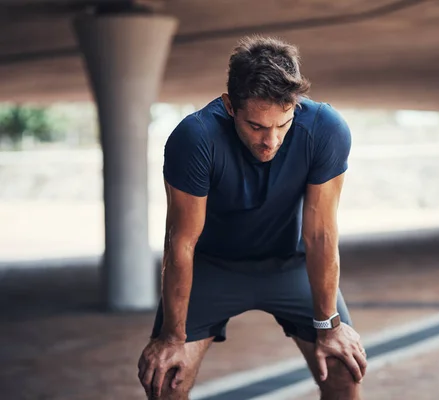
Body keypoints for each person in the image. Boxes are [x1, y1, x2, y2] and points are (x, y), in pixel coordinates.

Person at [137, 35, 367, 400]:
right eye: (257, 127)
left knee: (344, 368)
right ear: (230, 106)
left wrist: (329, 326)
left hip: (291, 264)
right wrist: (171, 337)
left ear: (296, 105)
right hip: (212, 267)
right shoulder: (195, 138)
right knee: (166, 378)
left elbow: (320, 236)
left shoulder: (325, 129)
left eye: (283, 124)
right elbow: (181, 242)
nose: (271, 141)